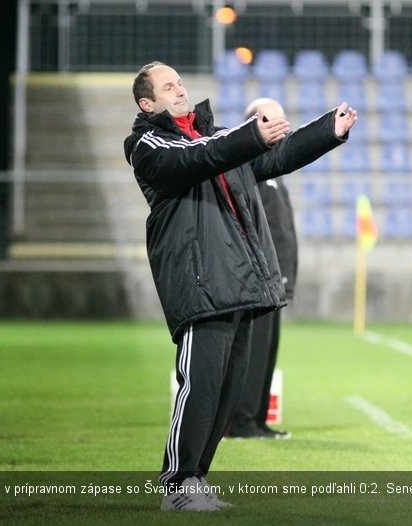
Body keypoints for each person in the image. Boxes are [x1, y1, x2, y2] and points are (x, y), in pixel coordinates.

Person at [123, 61, 357, 511]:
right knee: (200, 387)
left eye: (180, 82)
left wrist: (328, 129)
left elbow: (278, 157)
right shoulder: (148, 145)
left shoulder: (218, 139)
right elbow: (199, 157)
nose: (179, 89)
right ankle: (177, 483)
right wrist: (250, 134)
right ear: (146, 103)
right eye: (167, 86)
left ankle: (197, 481)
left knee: (225, 393)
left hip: (241, 282)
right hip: (202, 281)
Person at [227, 98, 296, 440]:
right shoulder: (248, 167)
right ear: (259, 121)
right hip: (258, 279)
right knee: (252, 353)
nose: (285, 127)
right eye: (278, 120)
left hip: (276, 279)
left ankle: (256, 420)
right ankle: (240, 421)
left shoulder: (274, 169)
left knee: (267, 352)